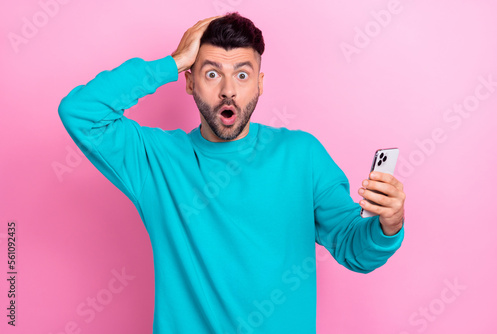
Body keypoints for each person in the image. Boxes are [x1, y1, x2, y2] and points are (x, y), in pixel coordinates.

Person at [58, 12, 405, 334]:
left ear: (259, 84)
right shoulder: (156, 160)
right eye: (212, 74)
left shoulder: (302, 155)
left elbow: (355, 248)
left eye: (242, 74)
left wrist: (388, 224)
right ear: (190, 83)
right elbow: (80, 112)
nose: (228, 89)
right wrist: (173, 62)